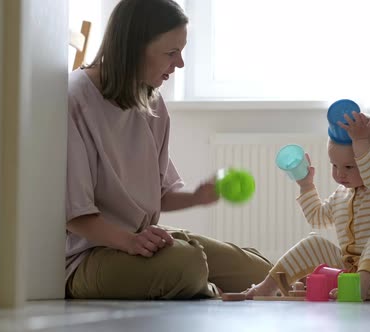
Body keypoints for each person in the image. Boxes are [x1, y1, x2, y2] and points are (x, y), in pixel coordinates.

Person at [66, 0, 272, 300]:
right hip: (88, 257)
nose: (180, 64)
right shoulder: (74, 100)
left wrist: (197, 197)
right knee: (187, 265)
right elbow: (75, 215)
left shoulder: (152, 104)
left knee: (261, 271)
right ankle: (206, 289)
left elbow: (159, 194)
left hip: (140, 243)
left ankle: (200, 283)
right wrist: (129, 242)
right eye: (171, 52)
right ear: (134, 48)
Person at [244, 112, 370, 300]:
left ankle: (360, 285)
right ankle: (268, 286)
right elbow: (317, 217)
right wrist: (306, 185)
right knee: (314, 242)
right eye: (334, 165)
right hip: (349, 276)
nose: (340, 174)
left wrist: (360, 141)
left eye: (349, 167)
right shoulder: (341, 195)